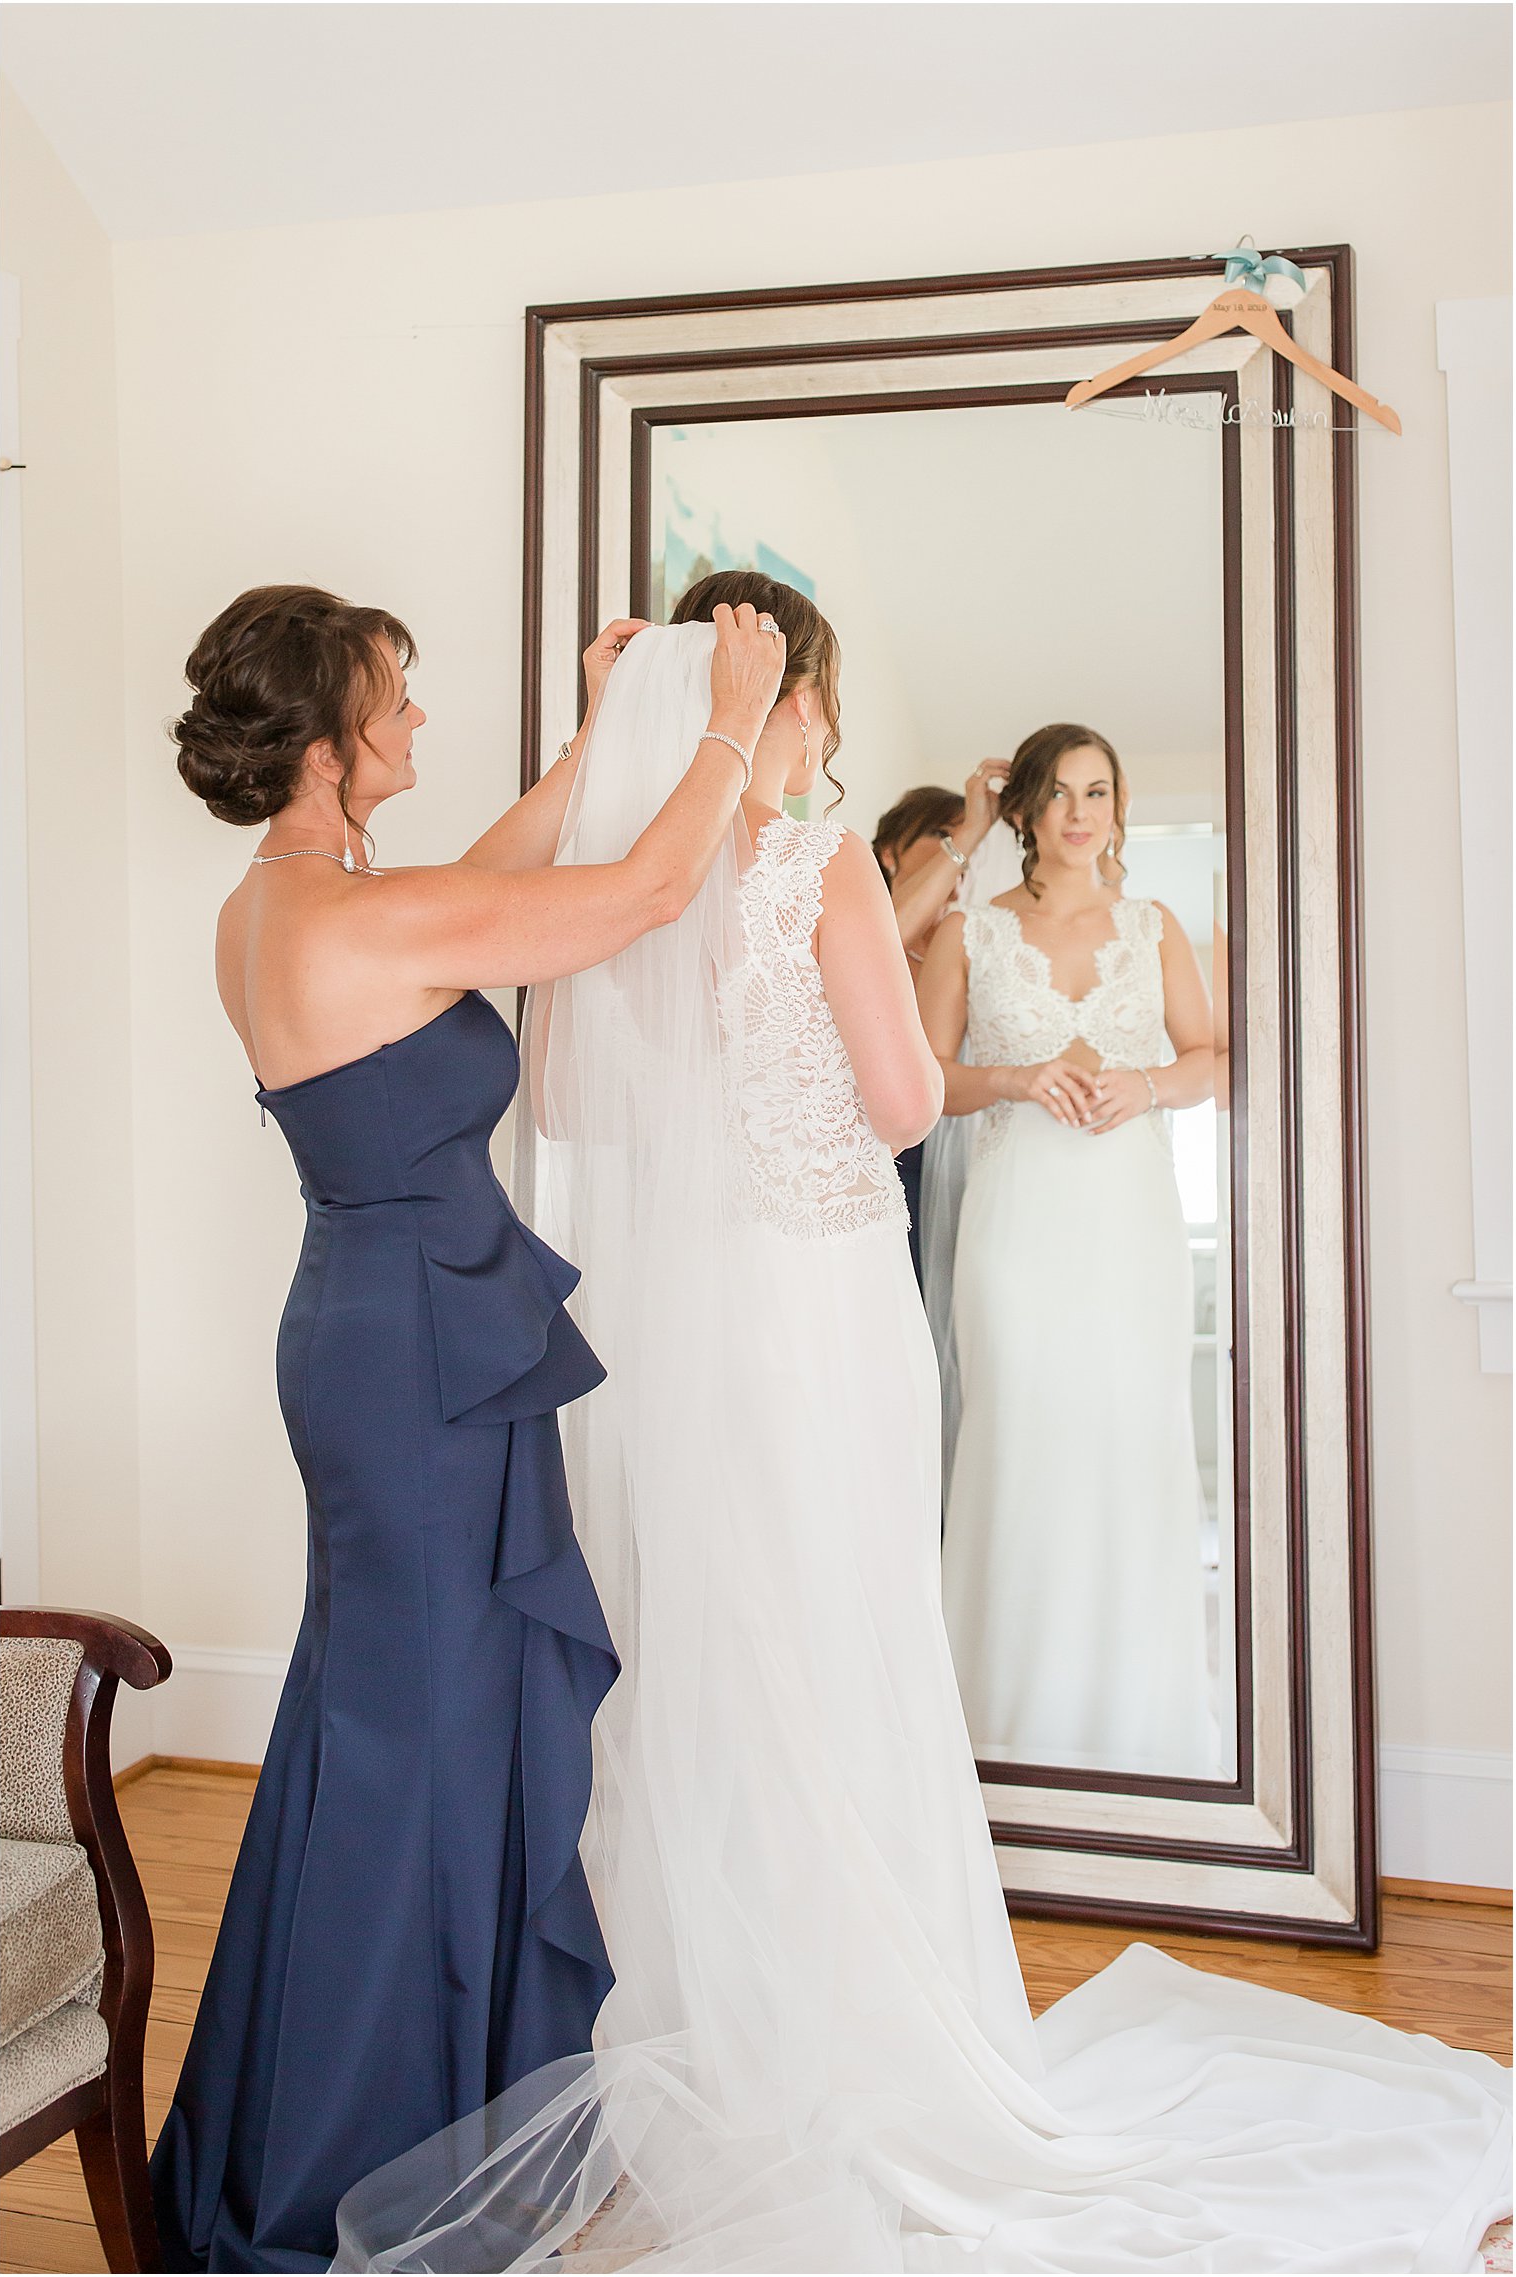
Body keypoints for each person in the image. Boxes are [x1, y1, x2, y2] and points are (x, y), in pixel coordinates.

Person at [335, 582, 1509, 2275]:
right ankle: (857, 2014)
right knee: (843, 1636)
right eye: (811, 701)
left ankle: (710, 2008)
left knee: (710, 1645)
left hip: (673, 1327)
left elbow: (576, 1104)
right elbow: (898, 1104)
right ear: (791, 698)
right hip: (816, 1308)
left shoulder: (622, 892)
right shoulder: (815, 867)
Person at [149, 583, 785, 2271]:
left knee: (409, 1730)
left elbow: (487, 888)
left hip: (400, 1338)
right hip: (410, 1365)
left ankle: (427, 2102)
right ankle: (338, 2157)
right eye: (401, 703)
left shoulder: (300, 898)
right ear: (335, 739)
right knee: (403, 1747)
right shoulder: (353, 923)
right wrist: (738, 704)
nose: (421, 725)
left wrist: (595, 736)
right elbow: (641, 894)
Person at [918, 724, 1220, 1777]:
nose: (1081, 813)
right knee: (1022, 1439)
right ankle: (996, 1734)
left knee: (1128, 1444)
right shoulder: (970, 935)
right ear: (1024, 811)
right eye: (1060, 794)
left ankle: (1135, 1732)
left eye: (1098, 792)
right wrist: (1010, 1079)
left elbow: (1210, 1056)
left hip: (1127, 1220)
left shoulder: (1153, 927)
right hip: (1015, 1222)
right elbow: (919, 1080)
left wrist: (1143, 1087)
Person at [873, 771, 1007, 1279]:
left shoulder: (975, 948)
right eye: (940, 834)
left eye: (966, 837)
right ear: (890, 852)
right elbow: (883, 943)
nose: (958, 848)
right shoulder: (868, 936)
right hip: (896, 1156)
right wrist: (969, 833)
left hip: (978, 1150)